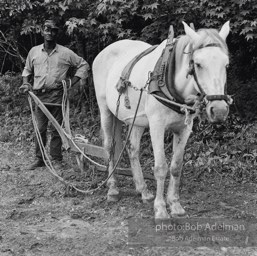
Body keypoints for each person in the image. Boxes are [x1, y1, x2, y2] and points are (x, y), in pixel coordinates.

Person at [20, 19, 89, 170]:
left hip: (58, 96)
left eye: (53, 30)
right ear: (42, 31)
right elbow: (27, 70)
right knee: (40, 129)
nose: (49, 33)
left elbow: (83, 65)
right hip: (39, 97)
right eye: (47, 29)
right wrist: (26, 82)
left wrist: (71, 82)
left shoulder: (65, 53)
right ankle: (40, 159)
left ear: (57, 33)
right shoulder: (34, 51)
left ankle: (56, 159)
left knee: (57, 129)